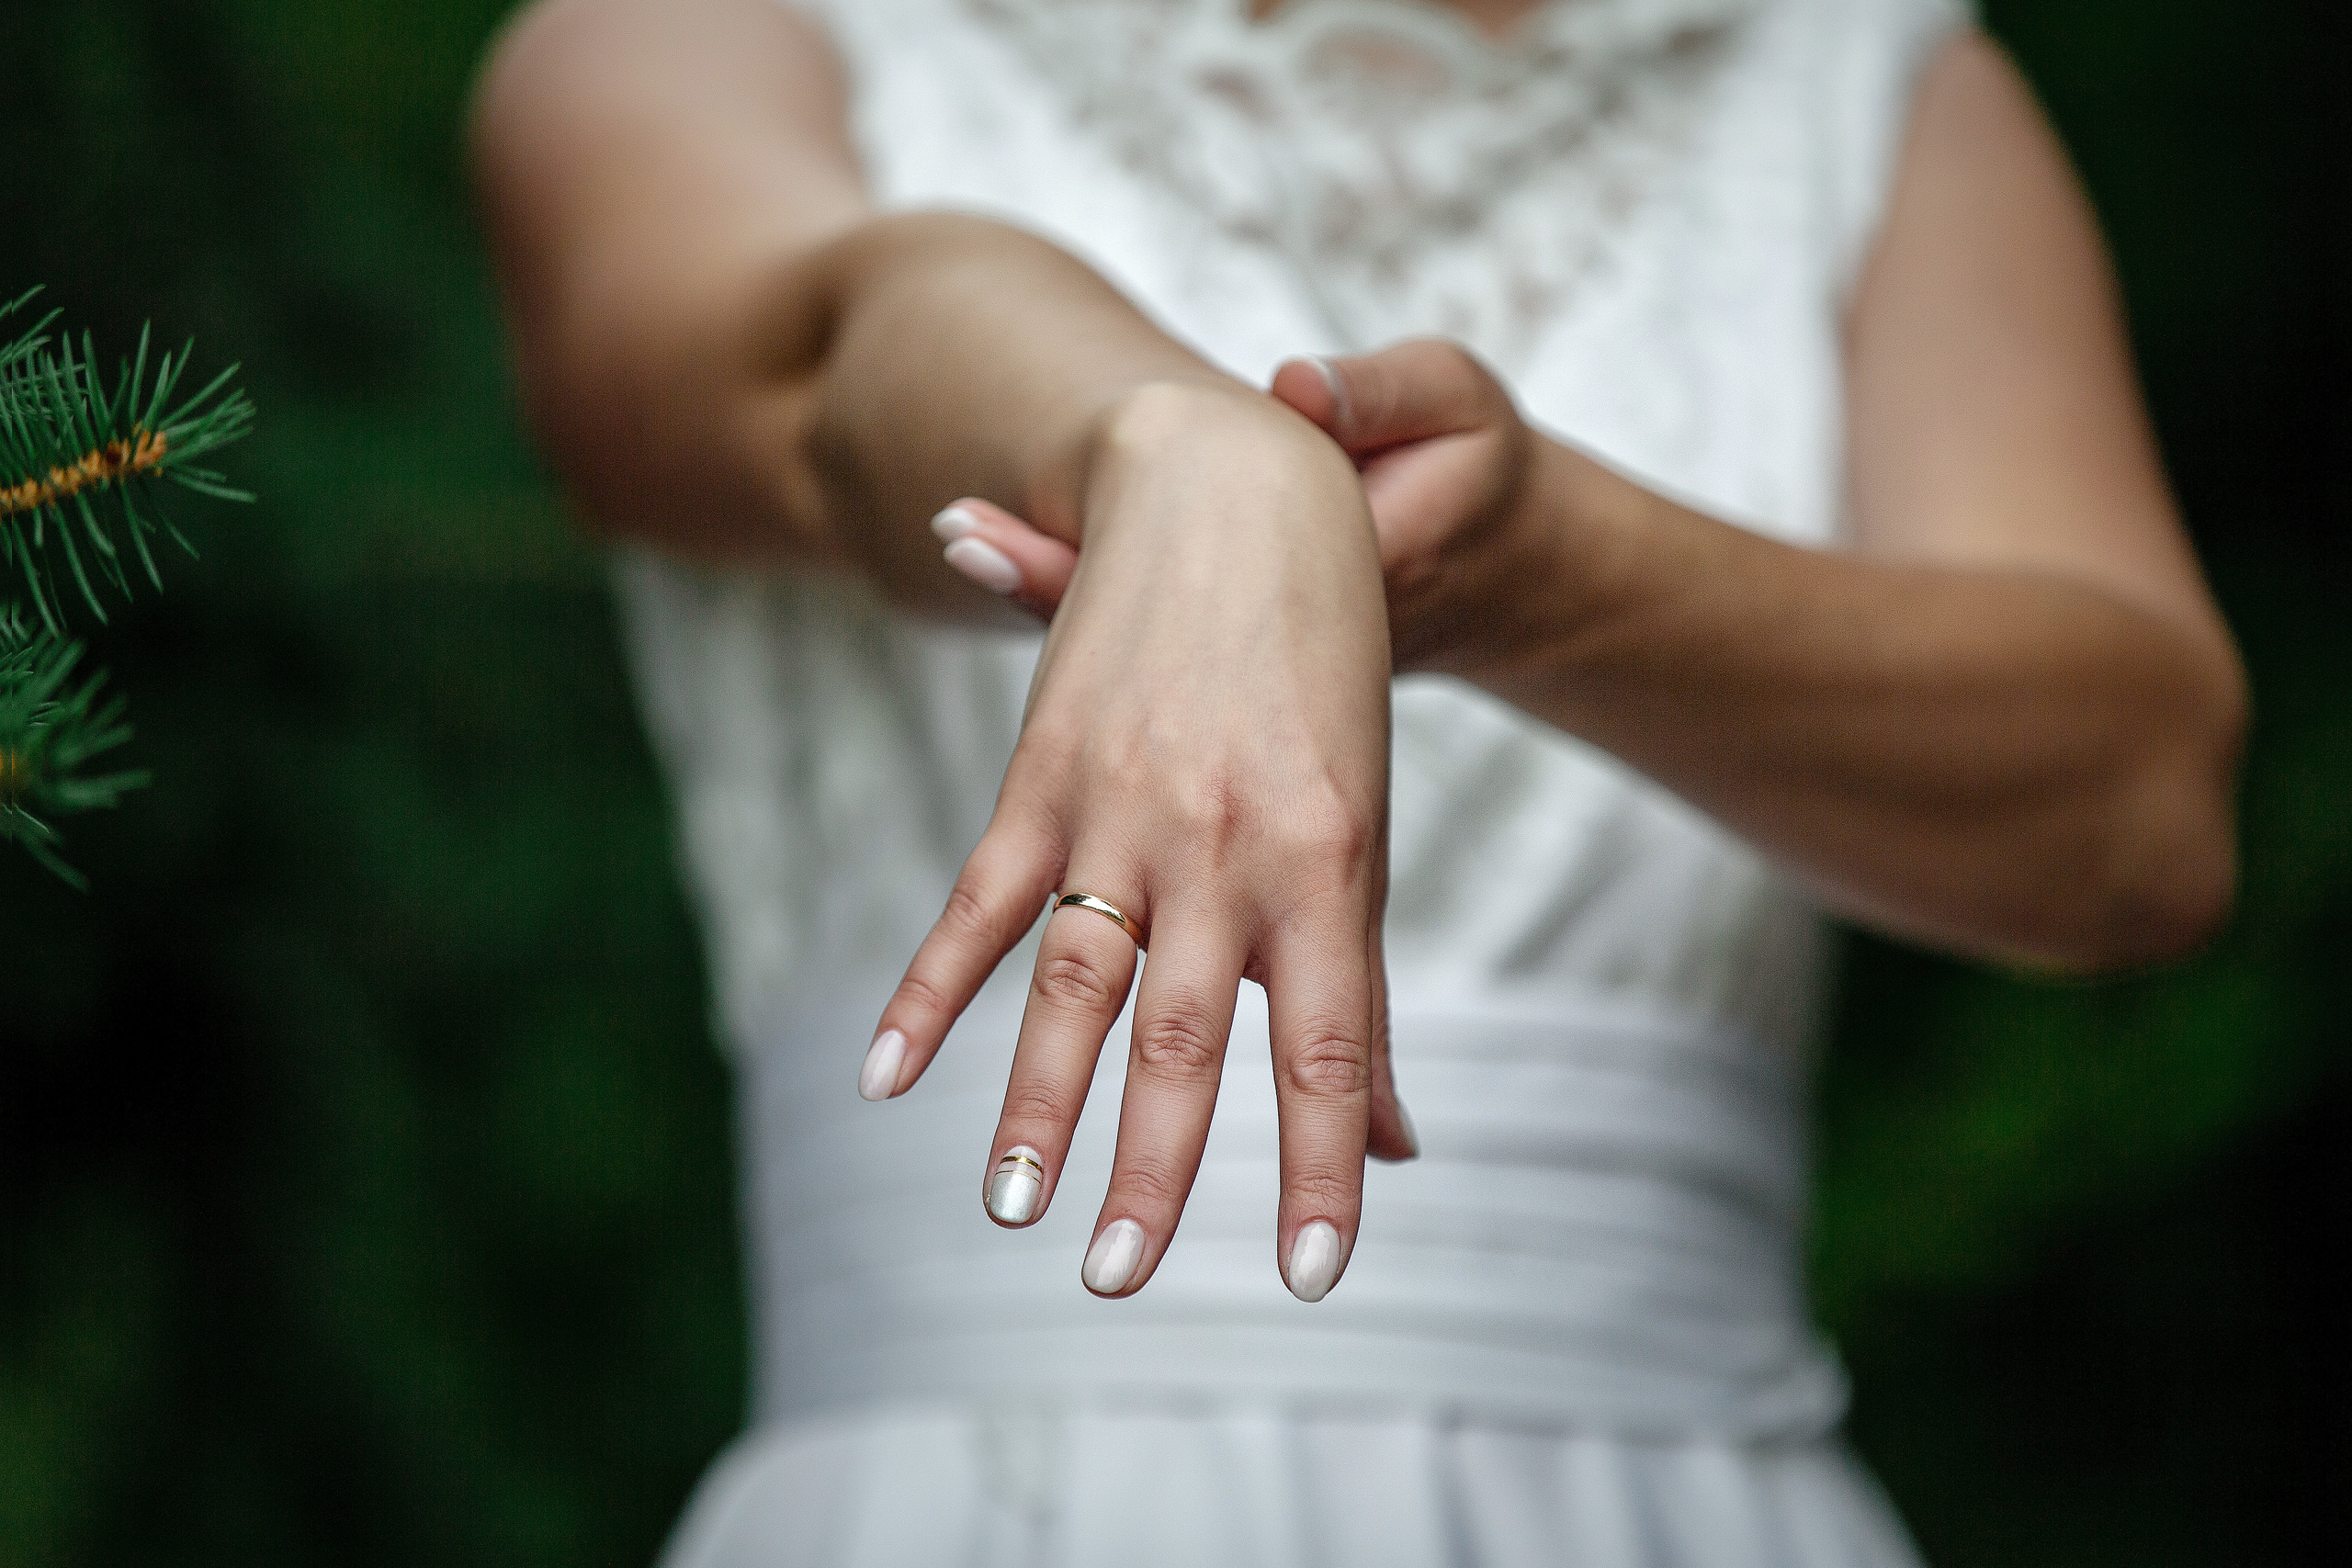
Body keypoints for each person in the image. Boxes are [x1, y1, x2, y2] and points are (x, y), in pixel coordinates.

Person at [469, 0, 2245, 1561]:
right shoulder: (698, 33)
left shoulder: (1864, 87)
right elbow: (817, 357)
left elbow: (2141, 811)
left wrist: (1554, 569)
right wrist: (1174, 454)